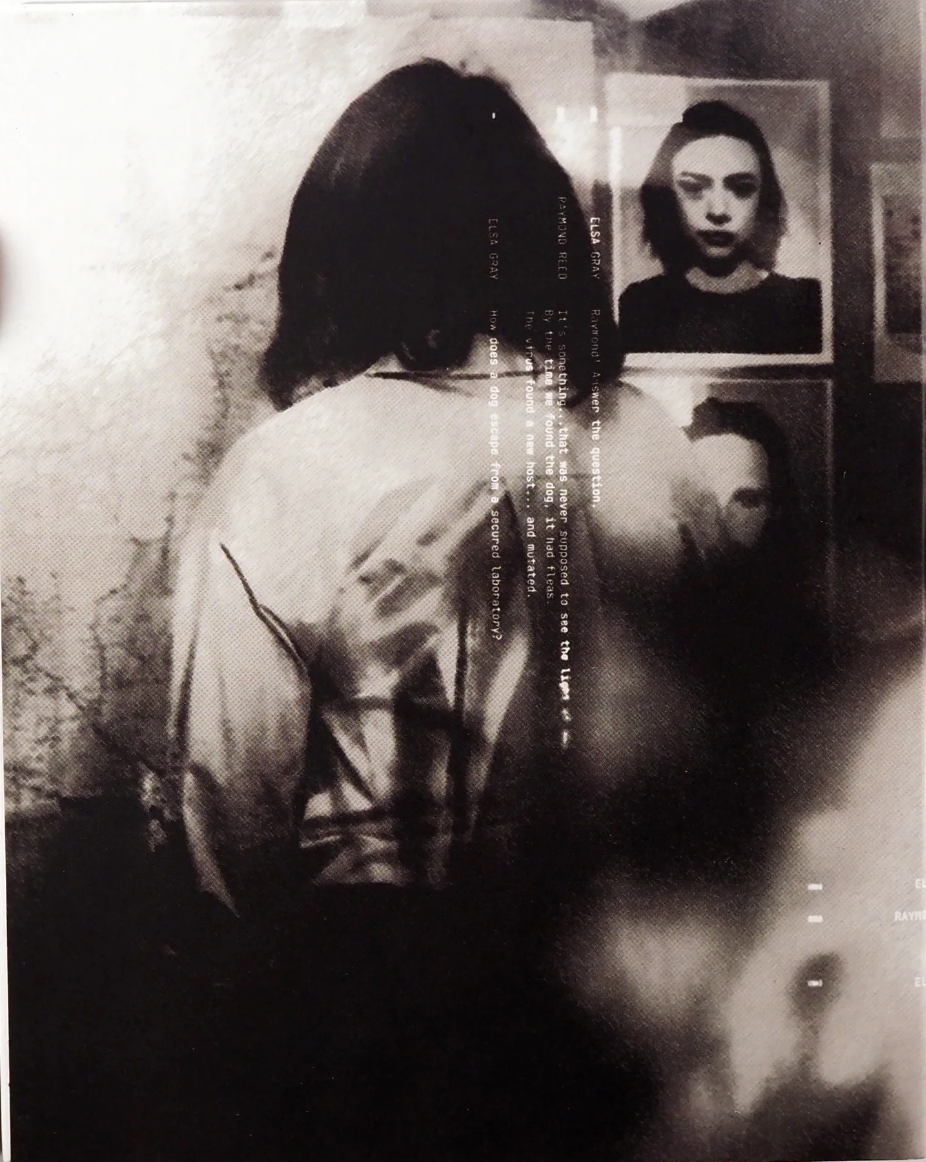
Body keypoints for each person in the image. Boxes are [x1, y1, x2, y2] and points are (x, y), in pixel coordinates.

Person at [167, 59, 724, 1160]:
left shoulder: (286, 469)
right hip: (629, 1012)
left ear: (345, 249)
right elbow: (727, 755)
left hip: (385, 1025)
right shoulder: (651, 447)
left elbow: (231, 807)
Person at [617, 101, 823, 356]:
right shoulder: (640, 306)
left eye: (741, 188)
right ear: (667, 198)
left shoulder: (807, 303)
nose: (718, 211)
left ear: (763, 199)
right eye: (693, 188)